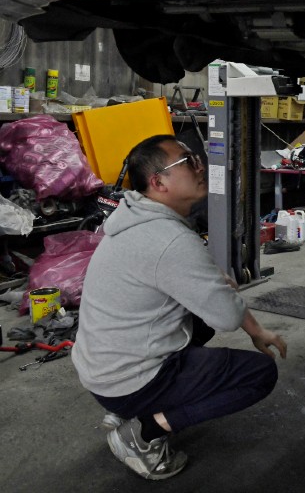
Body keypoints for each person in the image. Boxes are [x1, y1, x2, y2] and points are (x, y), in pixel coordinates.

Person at [72, 134, 287, 480]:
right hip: (126, 381)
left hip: (102, 369)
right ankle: (144, 432)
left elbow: (212, 288)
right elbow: (227, 312)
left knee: (202, 323)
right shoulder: (169, 240)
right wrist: (228, 301)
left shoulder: (134, 216)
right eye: (188, 162)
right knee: (259, 374)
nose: (200, 166)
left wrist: (256, 329)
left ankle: (135, 407)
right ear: (158, 182)